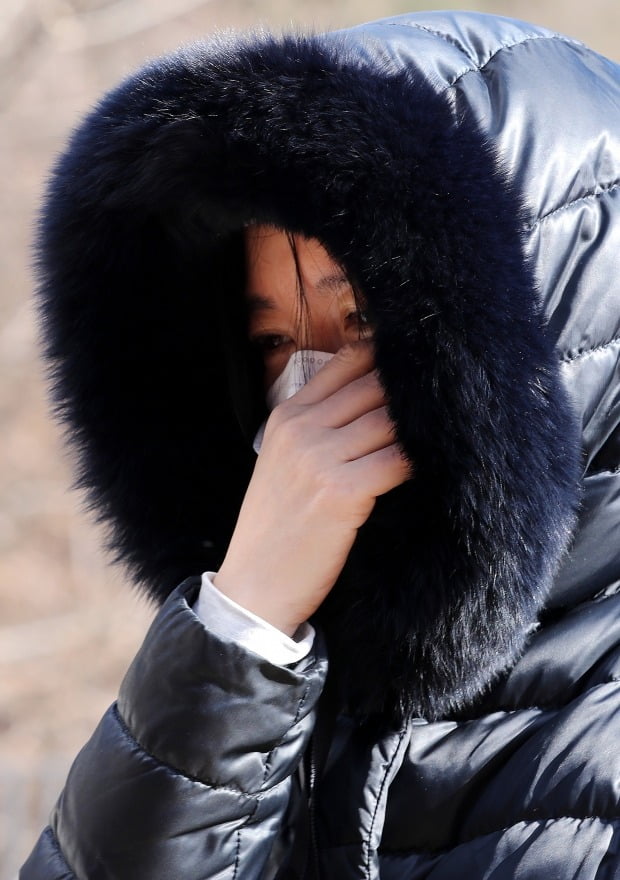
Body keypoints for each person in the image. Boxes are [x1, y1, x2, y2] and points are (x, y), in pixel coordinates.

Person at [21, 9, 620, 879]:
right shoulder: (287, 669)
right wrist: (241, 635)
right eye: (272, 346)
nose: (303, 408)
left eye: (363, 320)